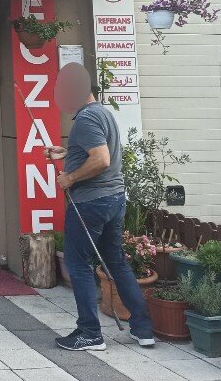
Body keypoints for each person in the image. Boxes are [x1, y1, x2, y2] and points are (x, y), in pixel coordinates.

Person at [47, 62, 154, 351]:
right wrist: (68, 153)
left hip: (90, 202)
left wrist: (70, 177)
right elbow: (97, 152)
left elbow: (102, 159)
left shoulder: (85, 119)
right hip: (113, 199)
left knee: (78, 264)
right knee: (116, 262)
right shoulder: (102, 113)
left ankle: (90, 333)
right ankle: (143, 329)